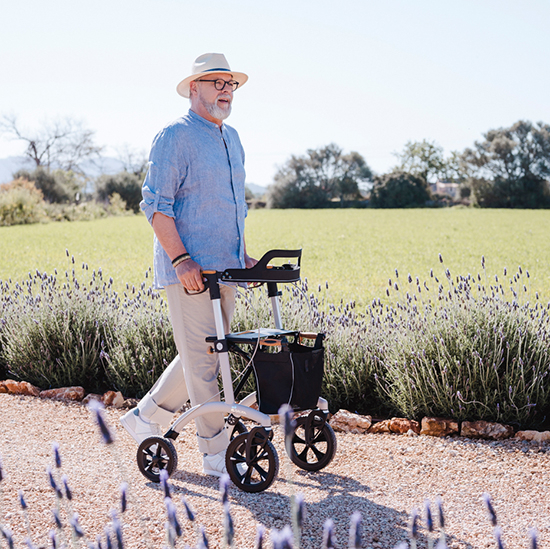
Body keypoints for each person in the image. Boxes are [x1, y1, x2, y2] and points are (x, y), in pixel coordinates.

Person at [120, 52, 257, 477]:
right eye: (216, 82)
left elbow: (234, 207)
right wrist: (180, 259)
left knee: (207, 354)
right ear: (193, 88)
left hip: (225, 269)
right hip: (190, 271)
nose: (225, 90)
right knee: (203, 360)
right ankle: (215, 451)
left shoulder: (231, 137)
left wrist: (244, 256)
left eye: (230, 83)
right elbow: (155, 205)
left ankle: (146, 417)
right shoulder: (174, 136)